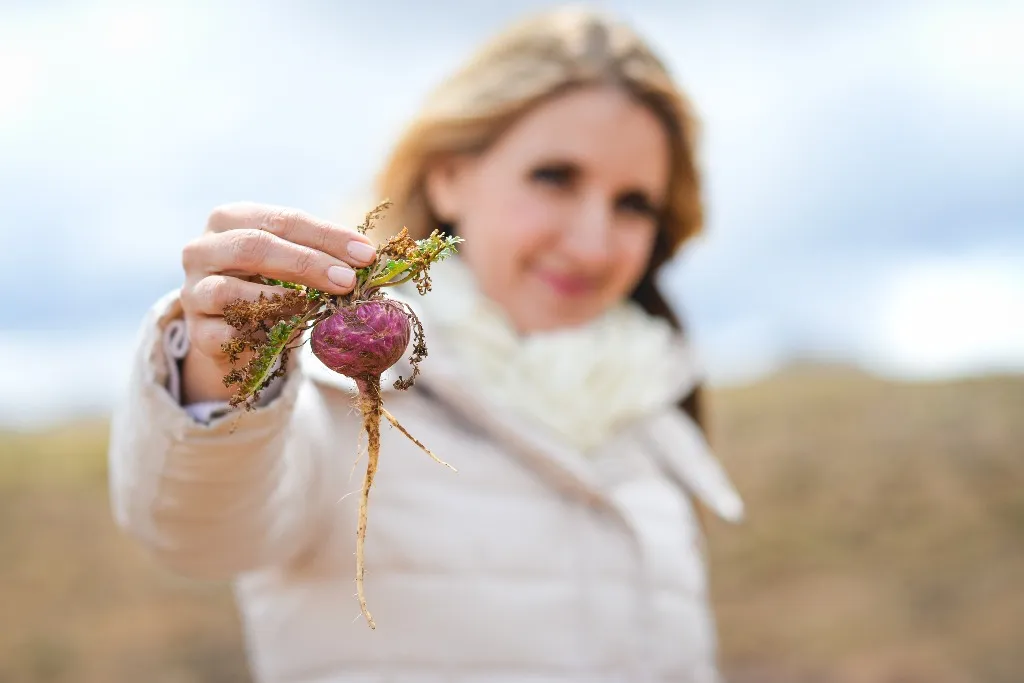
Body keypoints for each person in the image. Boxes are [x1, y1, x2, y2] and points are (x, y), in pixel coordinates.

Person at [107, 6, 744, 683]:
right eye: (555, 177)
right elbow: (197, 529)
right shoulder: (321, 396)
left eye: (633, 203)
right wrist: (217, 370)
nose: (592, 241)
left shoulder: (653, 412)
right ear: (449, 176)